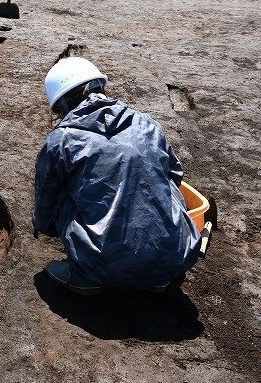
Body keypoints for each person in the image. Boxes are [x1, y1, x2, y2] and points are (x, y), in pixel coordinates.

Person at [33, 56, 200, 295]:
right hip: (175, 256)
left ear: (62, 104)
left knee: (62, 197)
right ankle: (155, 270)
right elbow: (174, 175)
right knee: (164, 183)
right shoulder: (146, 123)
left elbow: (46, 204)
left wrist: (45, 226)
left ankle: (85, 274)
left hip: (102, 263)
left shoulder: (62, 140)